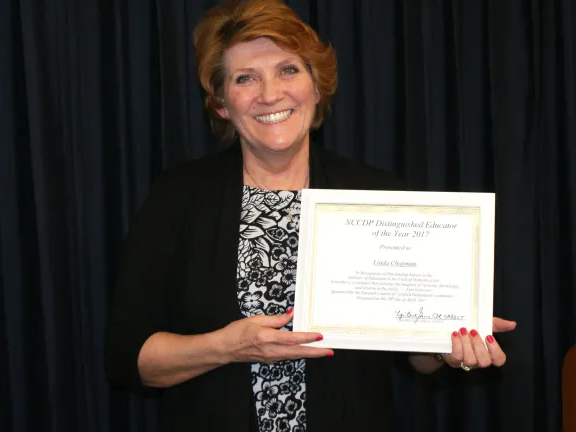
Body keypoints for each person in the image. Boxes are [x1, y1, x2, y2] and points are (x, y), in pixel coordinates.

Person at [104, 1, 516, 431]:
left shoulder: (375, 193)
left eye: (288, 70)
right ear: (222, 102)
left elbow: (413, 355)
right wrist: (226, 347)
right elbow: (128, 358)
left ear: (317, 88)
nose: (270, 94)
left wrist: (445, 346)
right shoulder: (179, 196)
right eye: (246, 78)